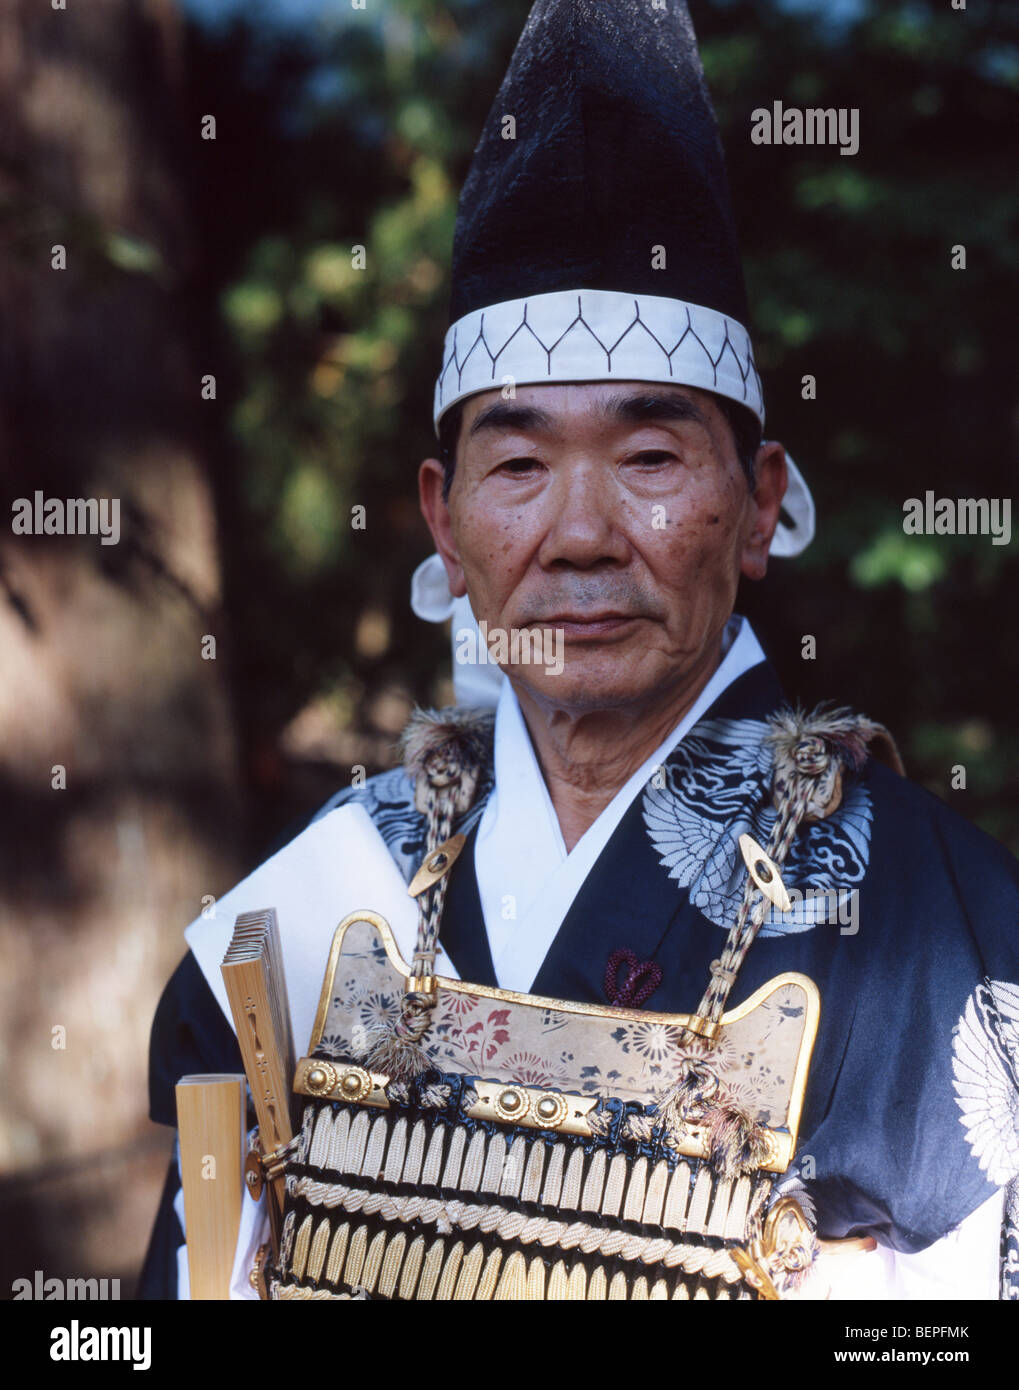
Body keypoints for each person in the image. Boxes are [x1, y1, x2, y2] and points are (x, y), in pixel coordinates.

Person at [140, 0, 1019, 1300]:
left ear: (763, 501)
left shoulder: (945, 926)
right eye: (520, 464)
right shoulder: (318, 903)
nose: (583, 534)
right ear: (444, 517)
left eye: (652, 456)